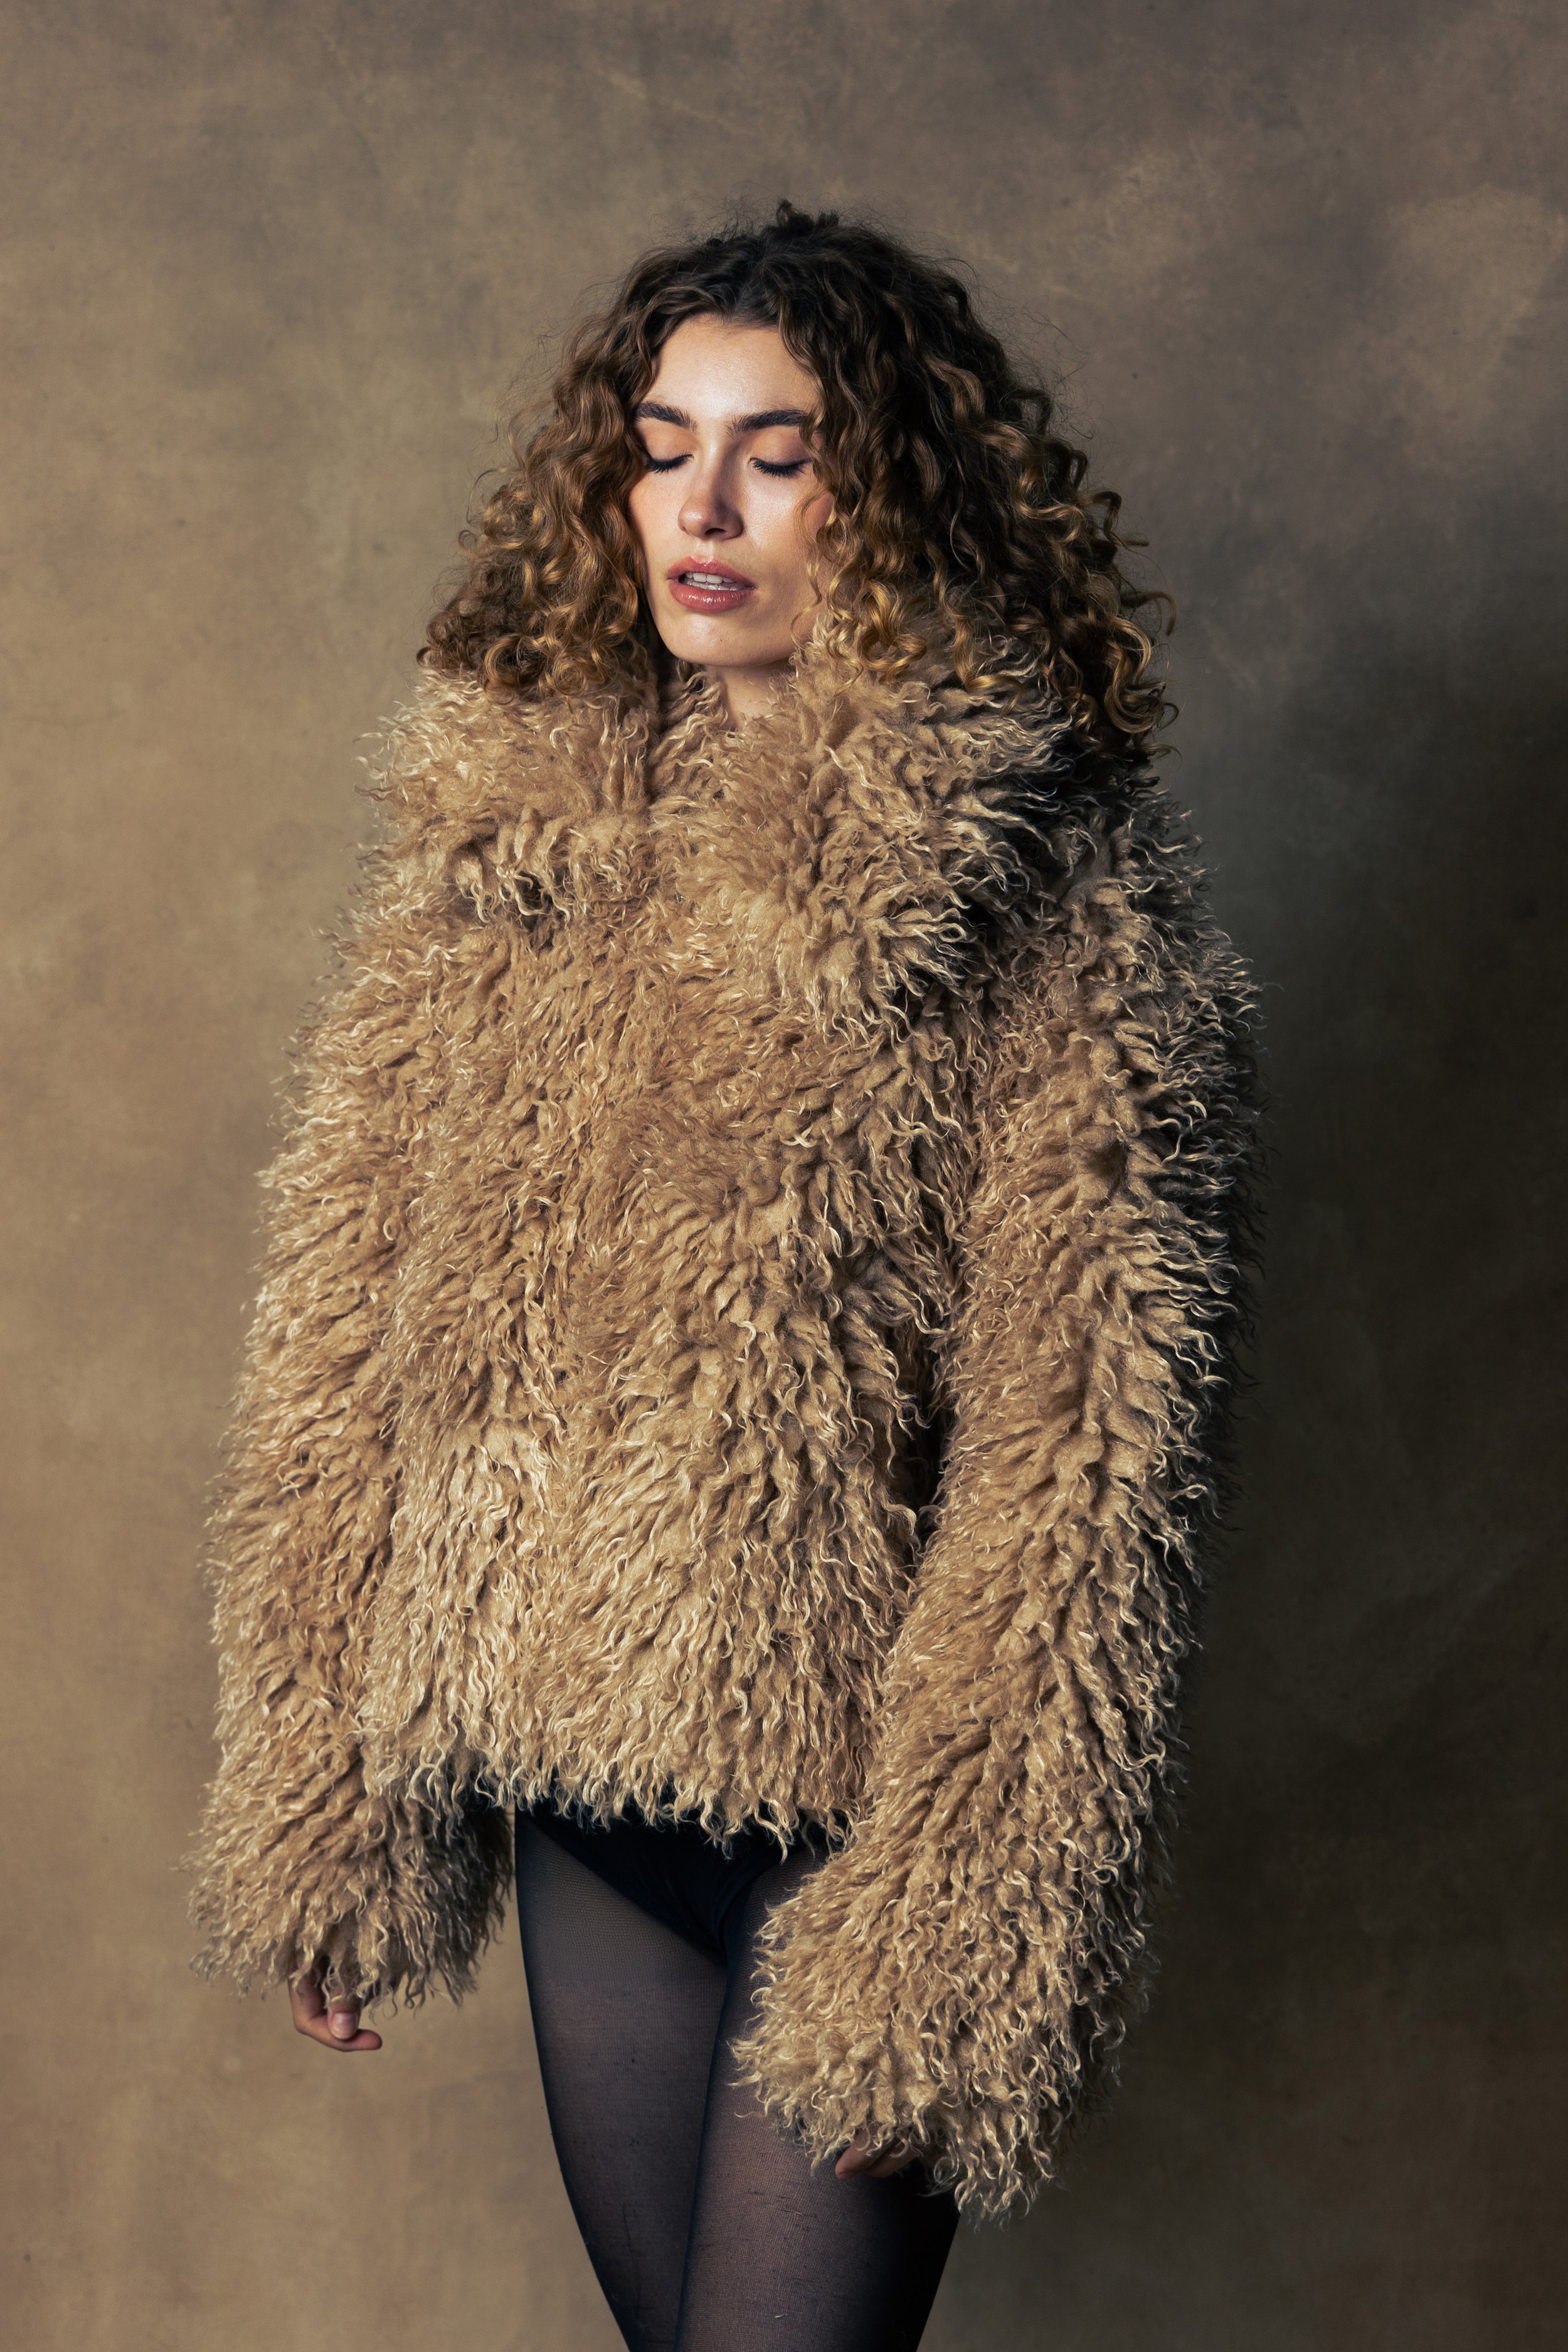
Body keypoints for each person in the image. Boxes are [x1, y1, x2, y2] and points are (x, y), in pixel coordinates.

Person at [190, 202, 1254, 2352]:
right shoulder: (503, 851)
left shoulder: (1046, 898)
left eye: (776, 451)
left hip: (856, 1831)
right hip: (583, 1787)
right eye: (663, 442)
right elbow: (347, 1340)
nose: (698, 505)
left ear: (896, 490)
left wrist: (944, 1925)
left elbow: (1085, 1477)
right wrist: (326, 1796)